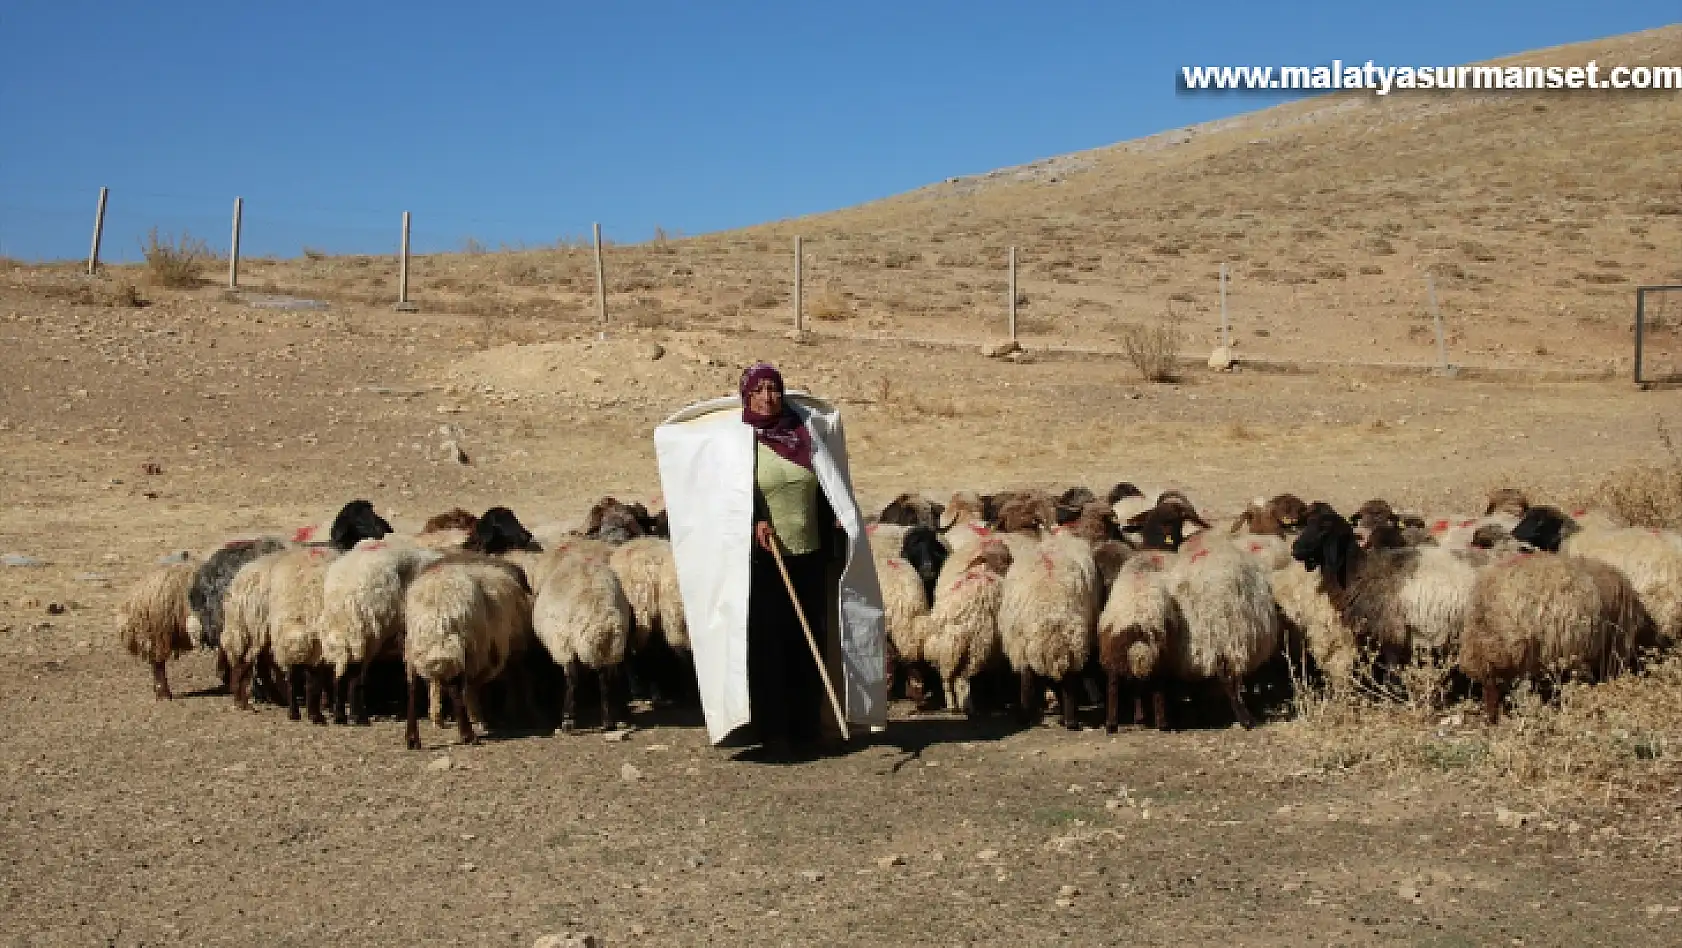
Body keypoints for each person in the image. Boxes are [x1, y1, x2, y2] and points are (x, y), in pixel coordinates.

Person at [740, 362, 845, 759]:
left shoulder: (802, 435)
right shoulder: (742, 441)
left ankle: (807, 727)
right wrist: (755, 520)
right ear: (747, 396)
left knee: (809, 640)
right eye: (760, 390)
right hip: (767, 560)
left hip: (809, 553)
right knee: (771, 645)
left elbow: (825, 483)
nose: (768, 397)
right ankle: (773, 731)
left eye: (774, 389)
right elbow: (733, 491)